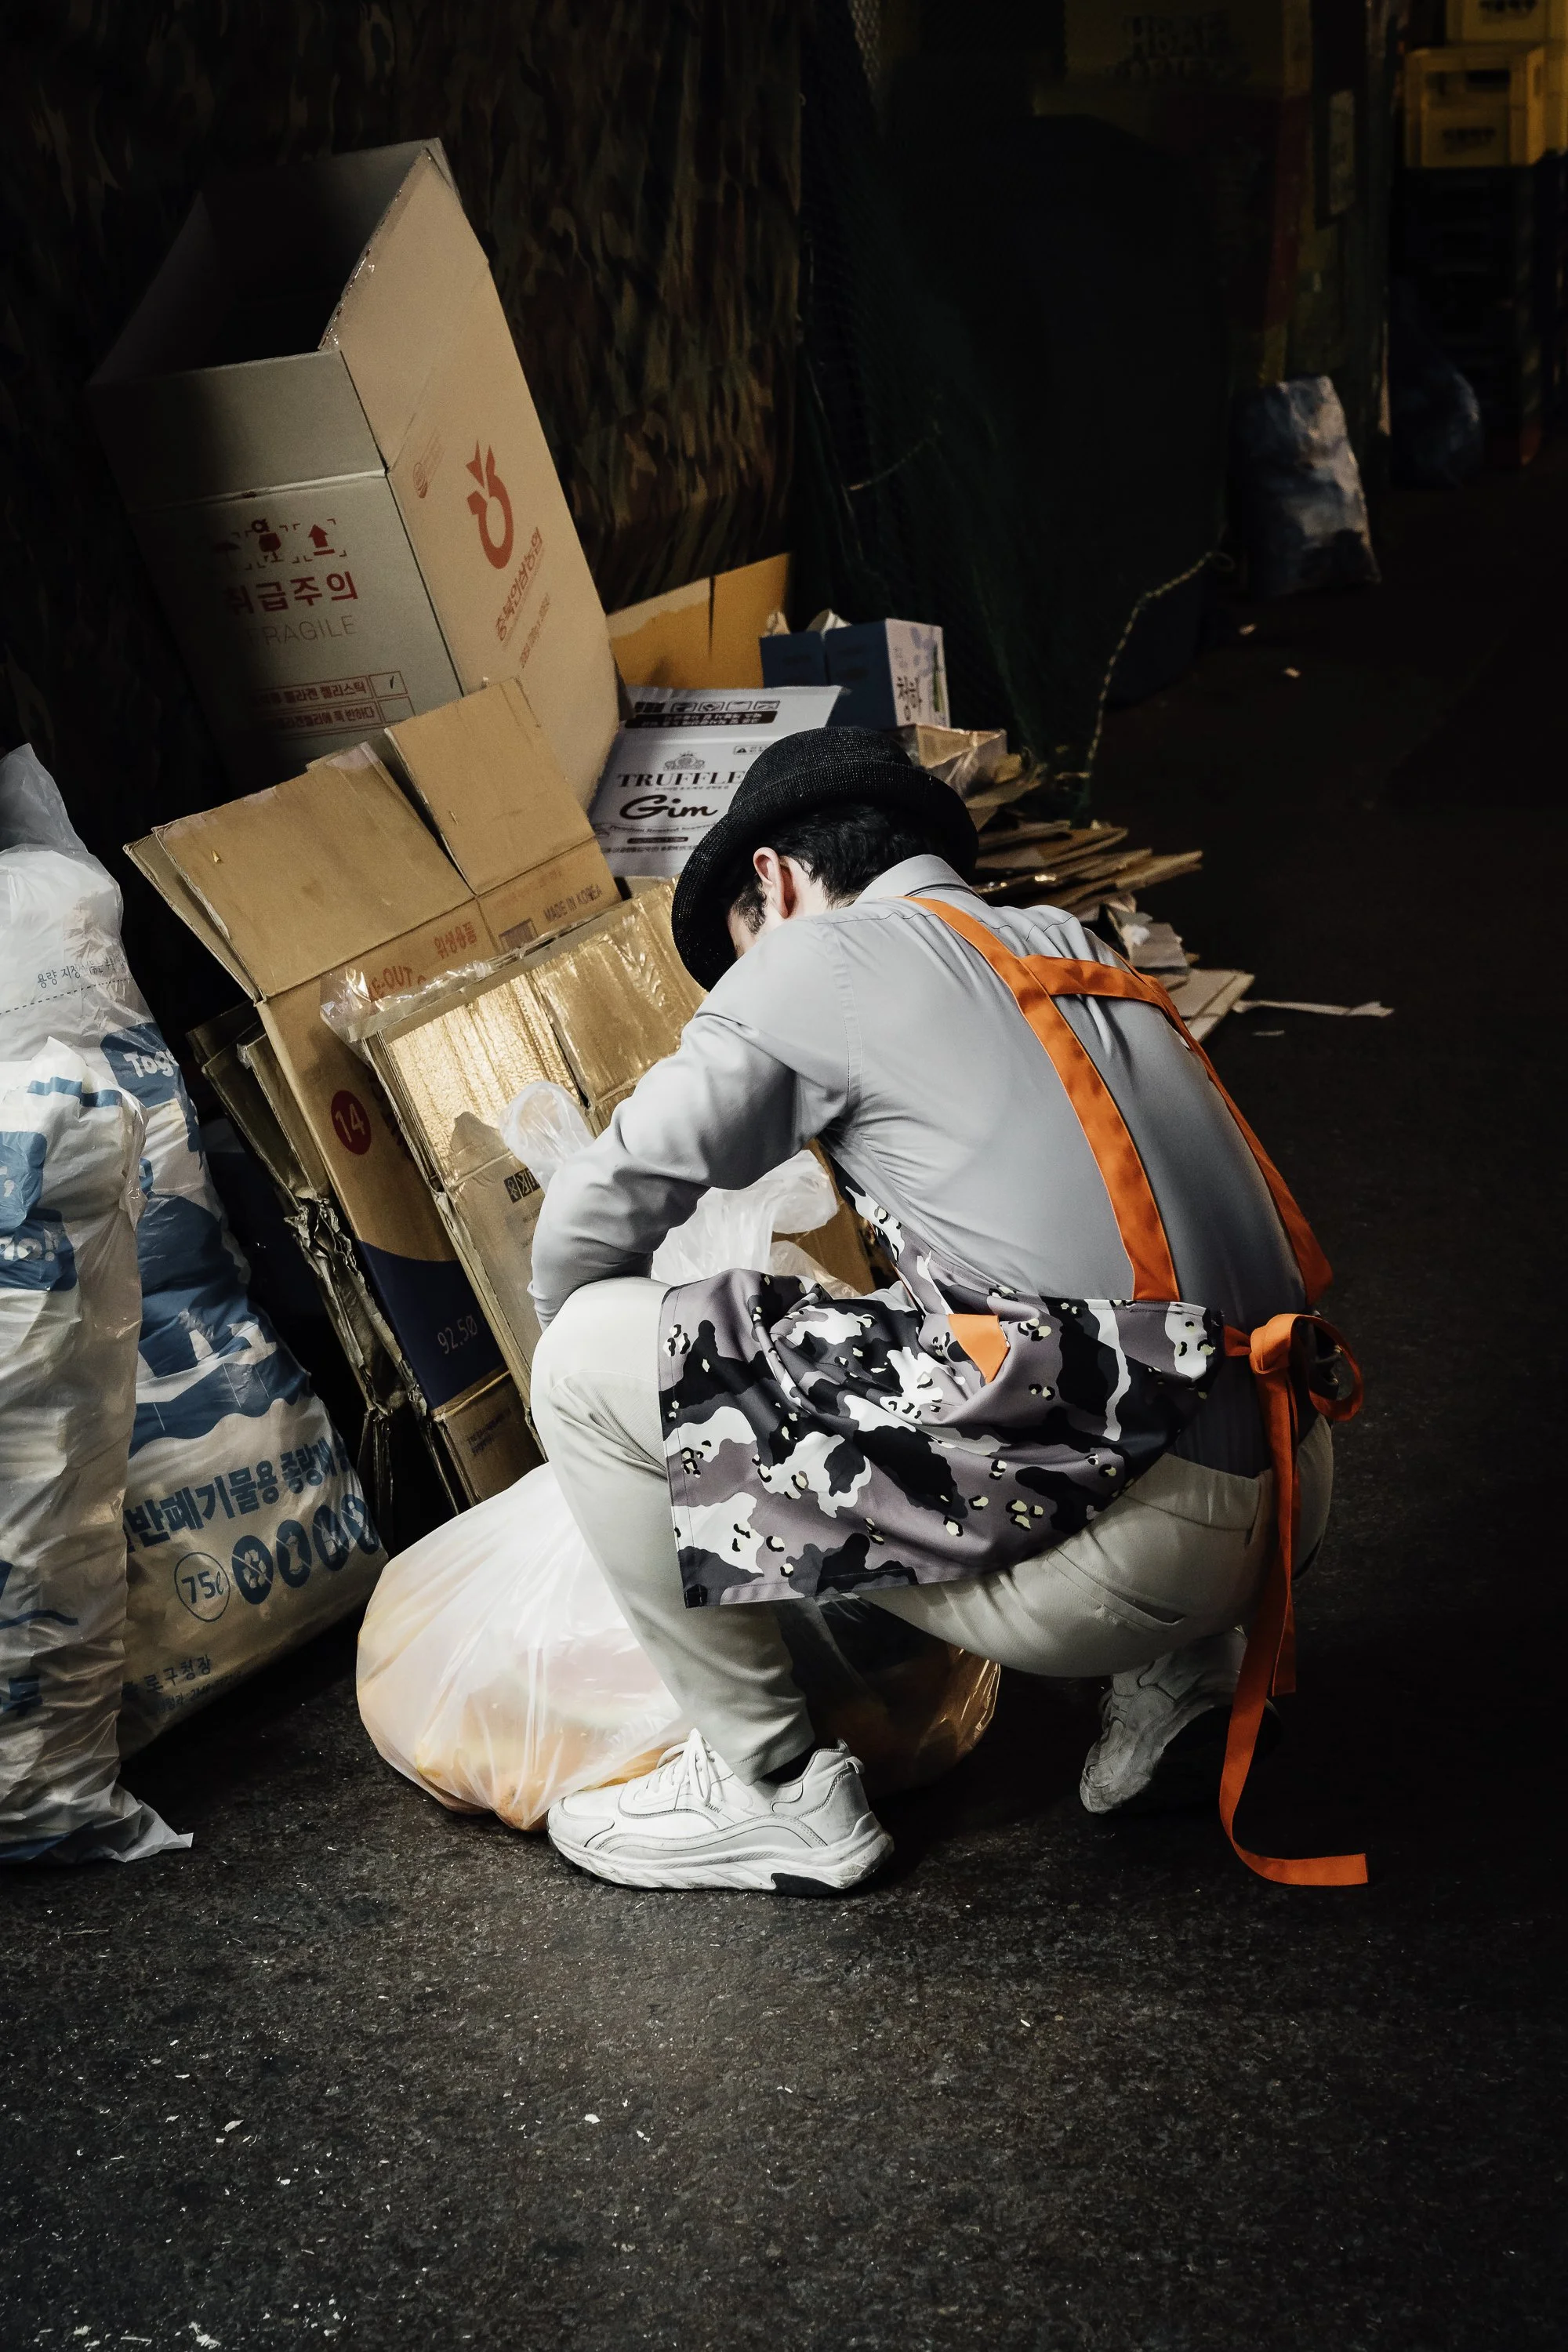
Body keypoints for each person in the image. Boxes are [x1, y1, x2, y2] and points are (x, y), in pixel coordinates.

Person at [528, 727, 1350, 1895]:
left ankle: (767, 1789)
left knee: (583, 1357)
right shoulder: (1069, 941)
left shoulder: (823, 960)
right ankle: (1188, 1683)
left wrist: (609, 1417)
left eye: (744, 944)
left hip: (1131, 1557)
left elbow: (595, 1210)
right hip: (1292, 1492)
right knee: (1051, 1307)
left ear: (775, 879)